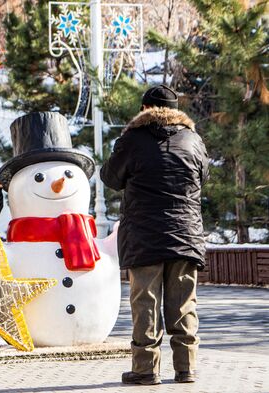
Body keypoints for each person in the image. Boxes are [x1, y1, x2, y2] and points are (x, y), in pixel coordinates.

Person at [100, 84, 209, 385]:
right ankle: (186, 368)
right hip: (186, 236)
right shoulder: (193, 140)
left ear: (145, 109)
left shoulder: (132, 139)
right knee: (184, 303)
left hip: (145, 236)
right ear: (176, 110)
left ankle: (146, 370)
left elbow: (110, 177)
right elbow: (204, 176)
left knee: (146, 303)